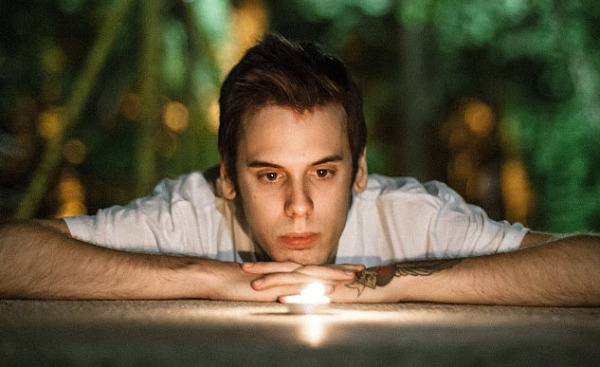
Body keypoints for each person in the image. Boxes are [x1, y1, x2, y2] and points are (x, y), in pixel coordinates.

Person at [0, 34, 599, 305]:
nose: (298, 206)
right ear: (227, 178)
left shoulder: (410, 217)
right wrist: (213, 279)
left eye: (322, 172)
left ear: (359, 171)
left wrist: (381, 284)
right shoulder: (191, 211)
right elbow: (11, 252)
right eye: (268, 175)